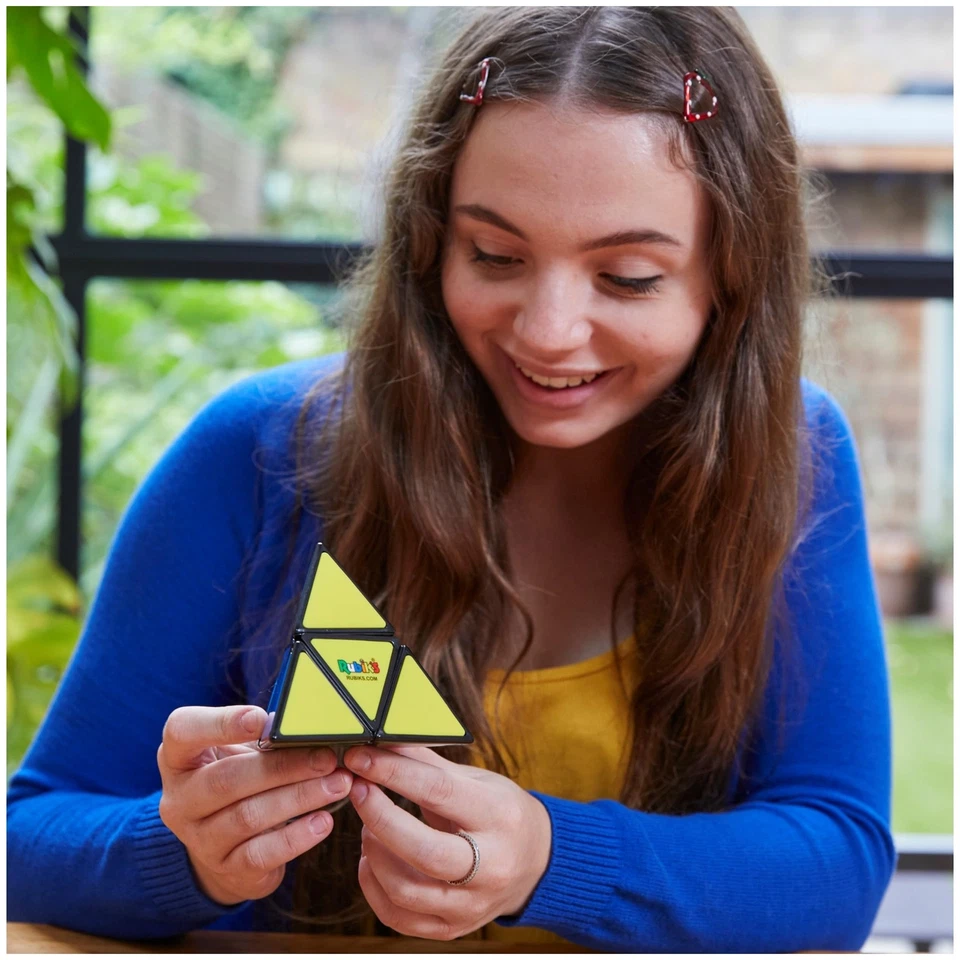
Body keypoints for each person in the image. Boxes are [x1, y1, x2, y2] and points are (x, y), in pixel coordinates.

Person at [7, 7, 895, 951]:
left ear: (732, 275)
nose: (549, 330)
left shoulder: (798, 459)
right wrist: (177, 848)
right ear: (431, 242)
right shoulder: (257, 454)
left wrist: (554, 857)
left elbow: (836, 862)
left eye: (629, 276)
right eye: (496, 256)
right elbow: (29, 837)